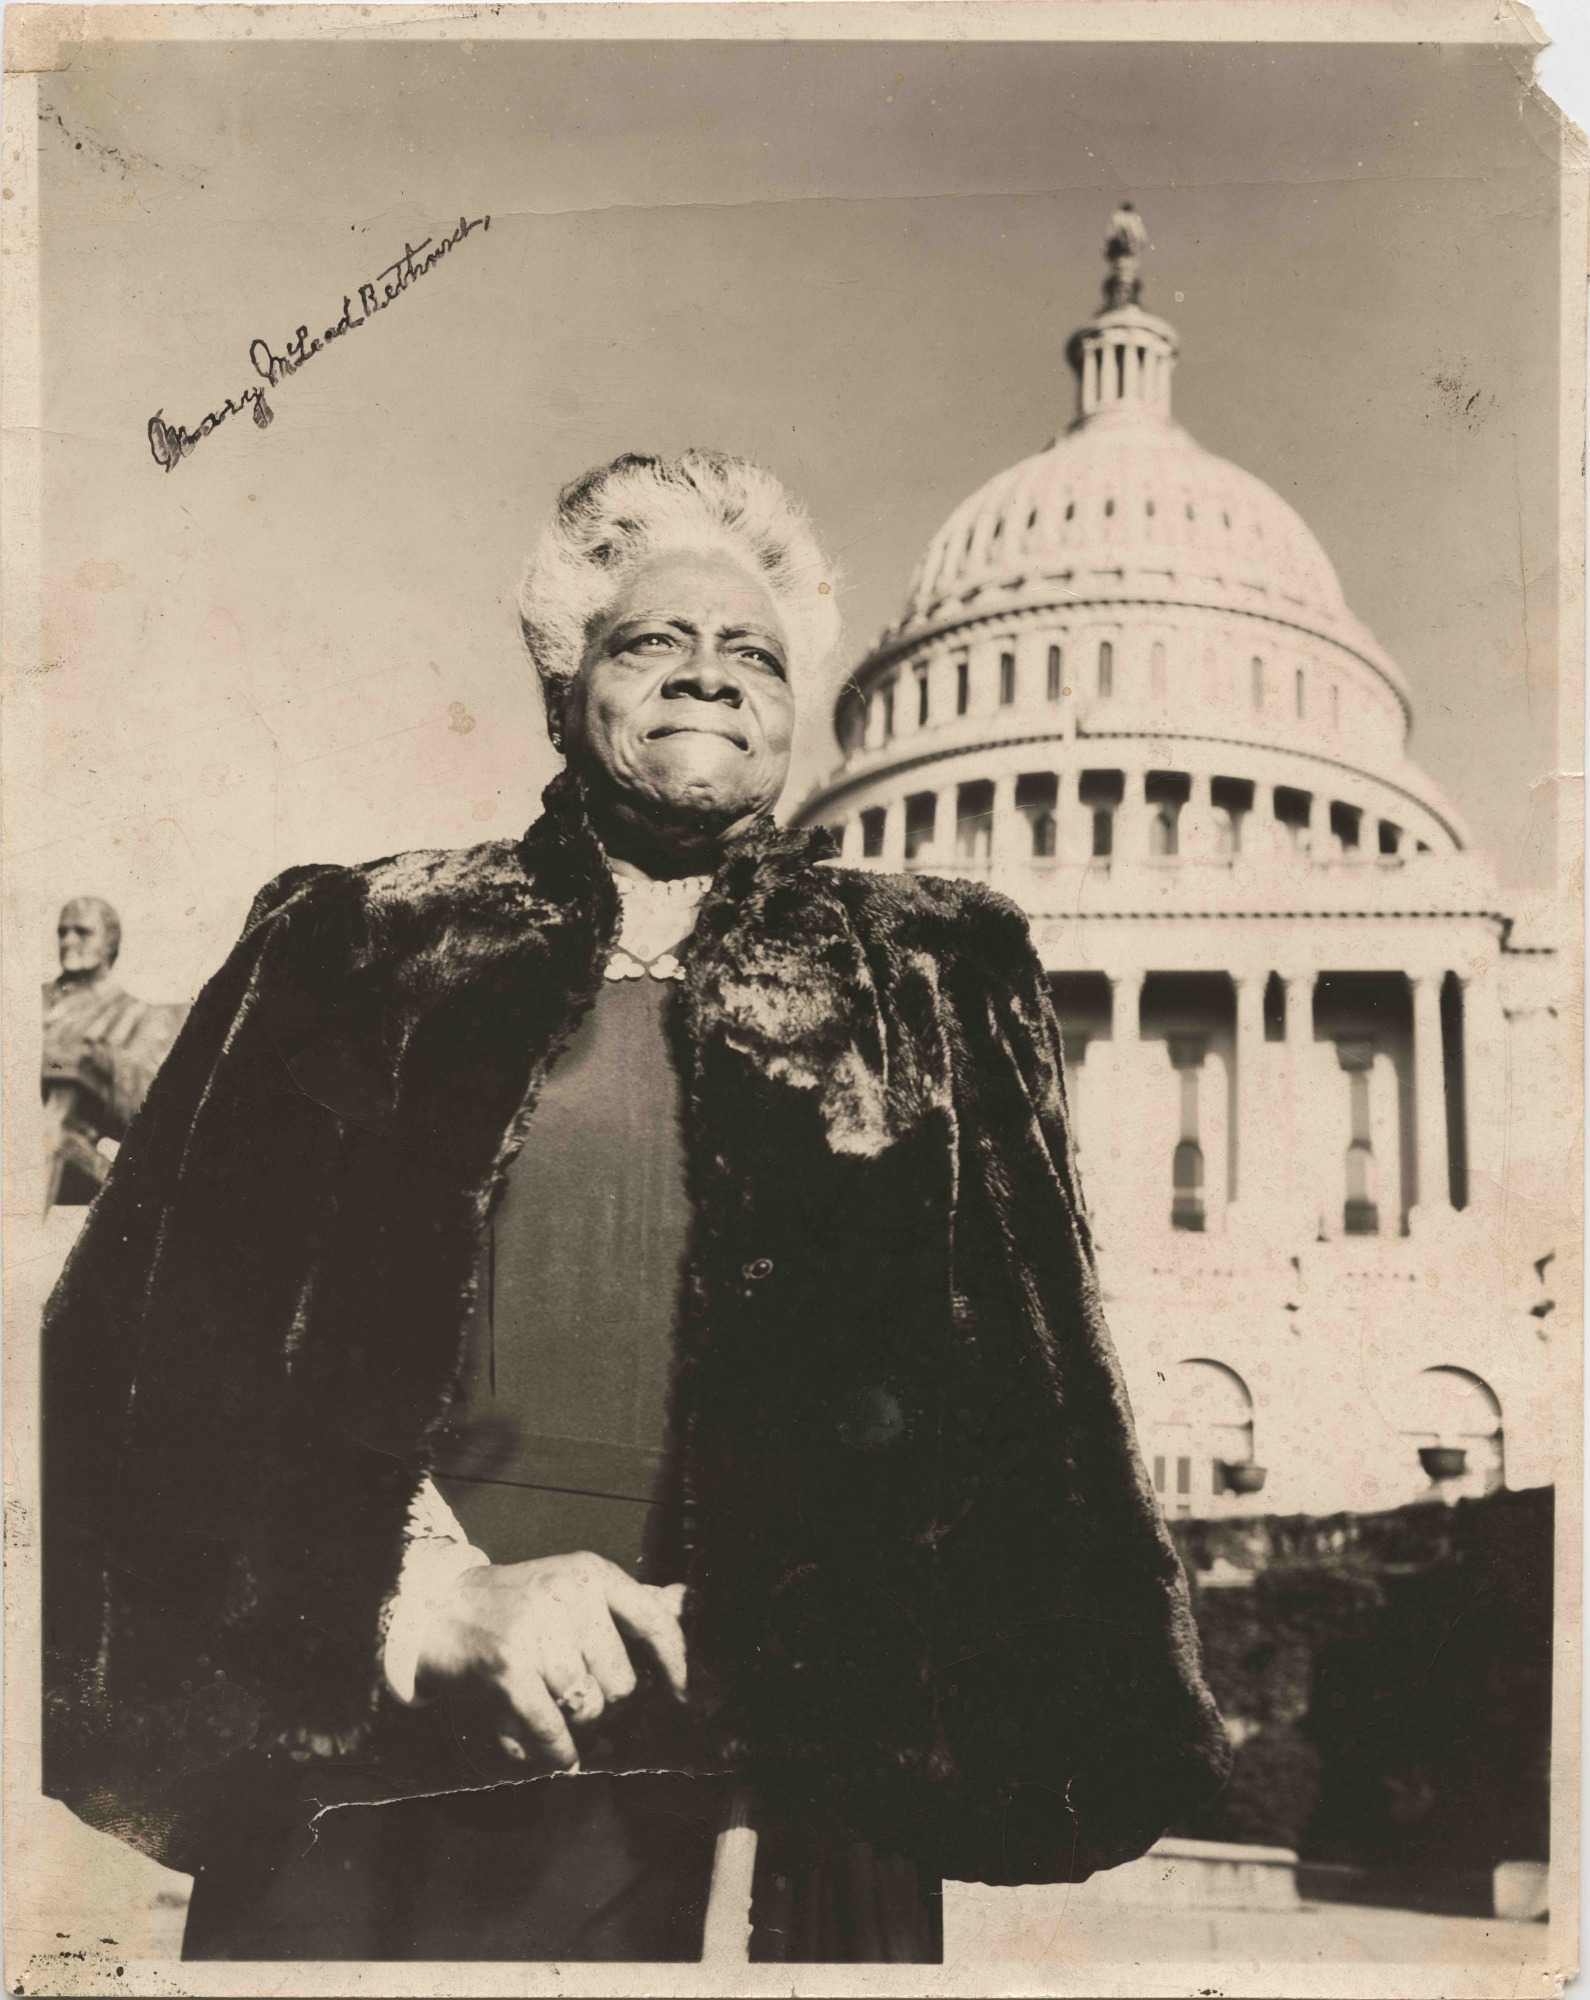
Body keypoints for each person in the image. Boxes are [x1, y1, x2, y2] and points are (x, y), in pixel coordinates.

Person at [42, 450, 1231, 1964]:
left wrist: (839, 1651)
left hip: (790, 1800)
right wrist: (408, 1605)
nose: (709, 672)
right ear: (564, 692)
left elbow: (1038, 1423)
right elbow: (144, 1354)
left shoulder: (937, 977)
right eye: (653, 638)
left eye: (755, 652)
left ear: (798, 712)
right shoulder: (354, 946)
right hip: (400, 1772)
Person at [41, 897, 186, 1209]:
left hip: (68, 1142)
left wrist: (101, 1062)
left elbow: (153, 1103)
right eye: (62, 932)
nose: (68, 941)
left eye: (82, 932)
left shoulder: (139, 1016)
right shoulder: (32, 1003)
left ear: (110, 942)